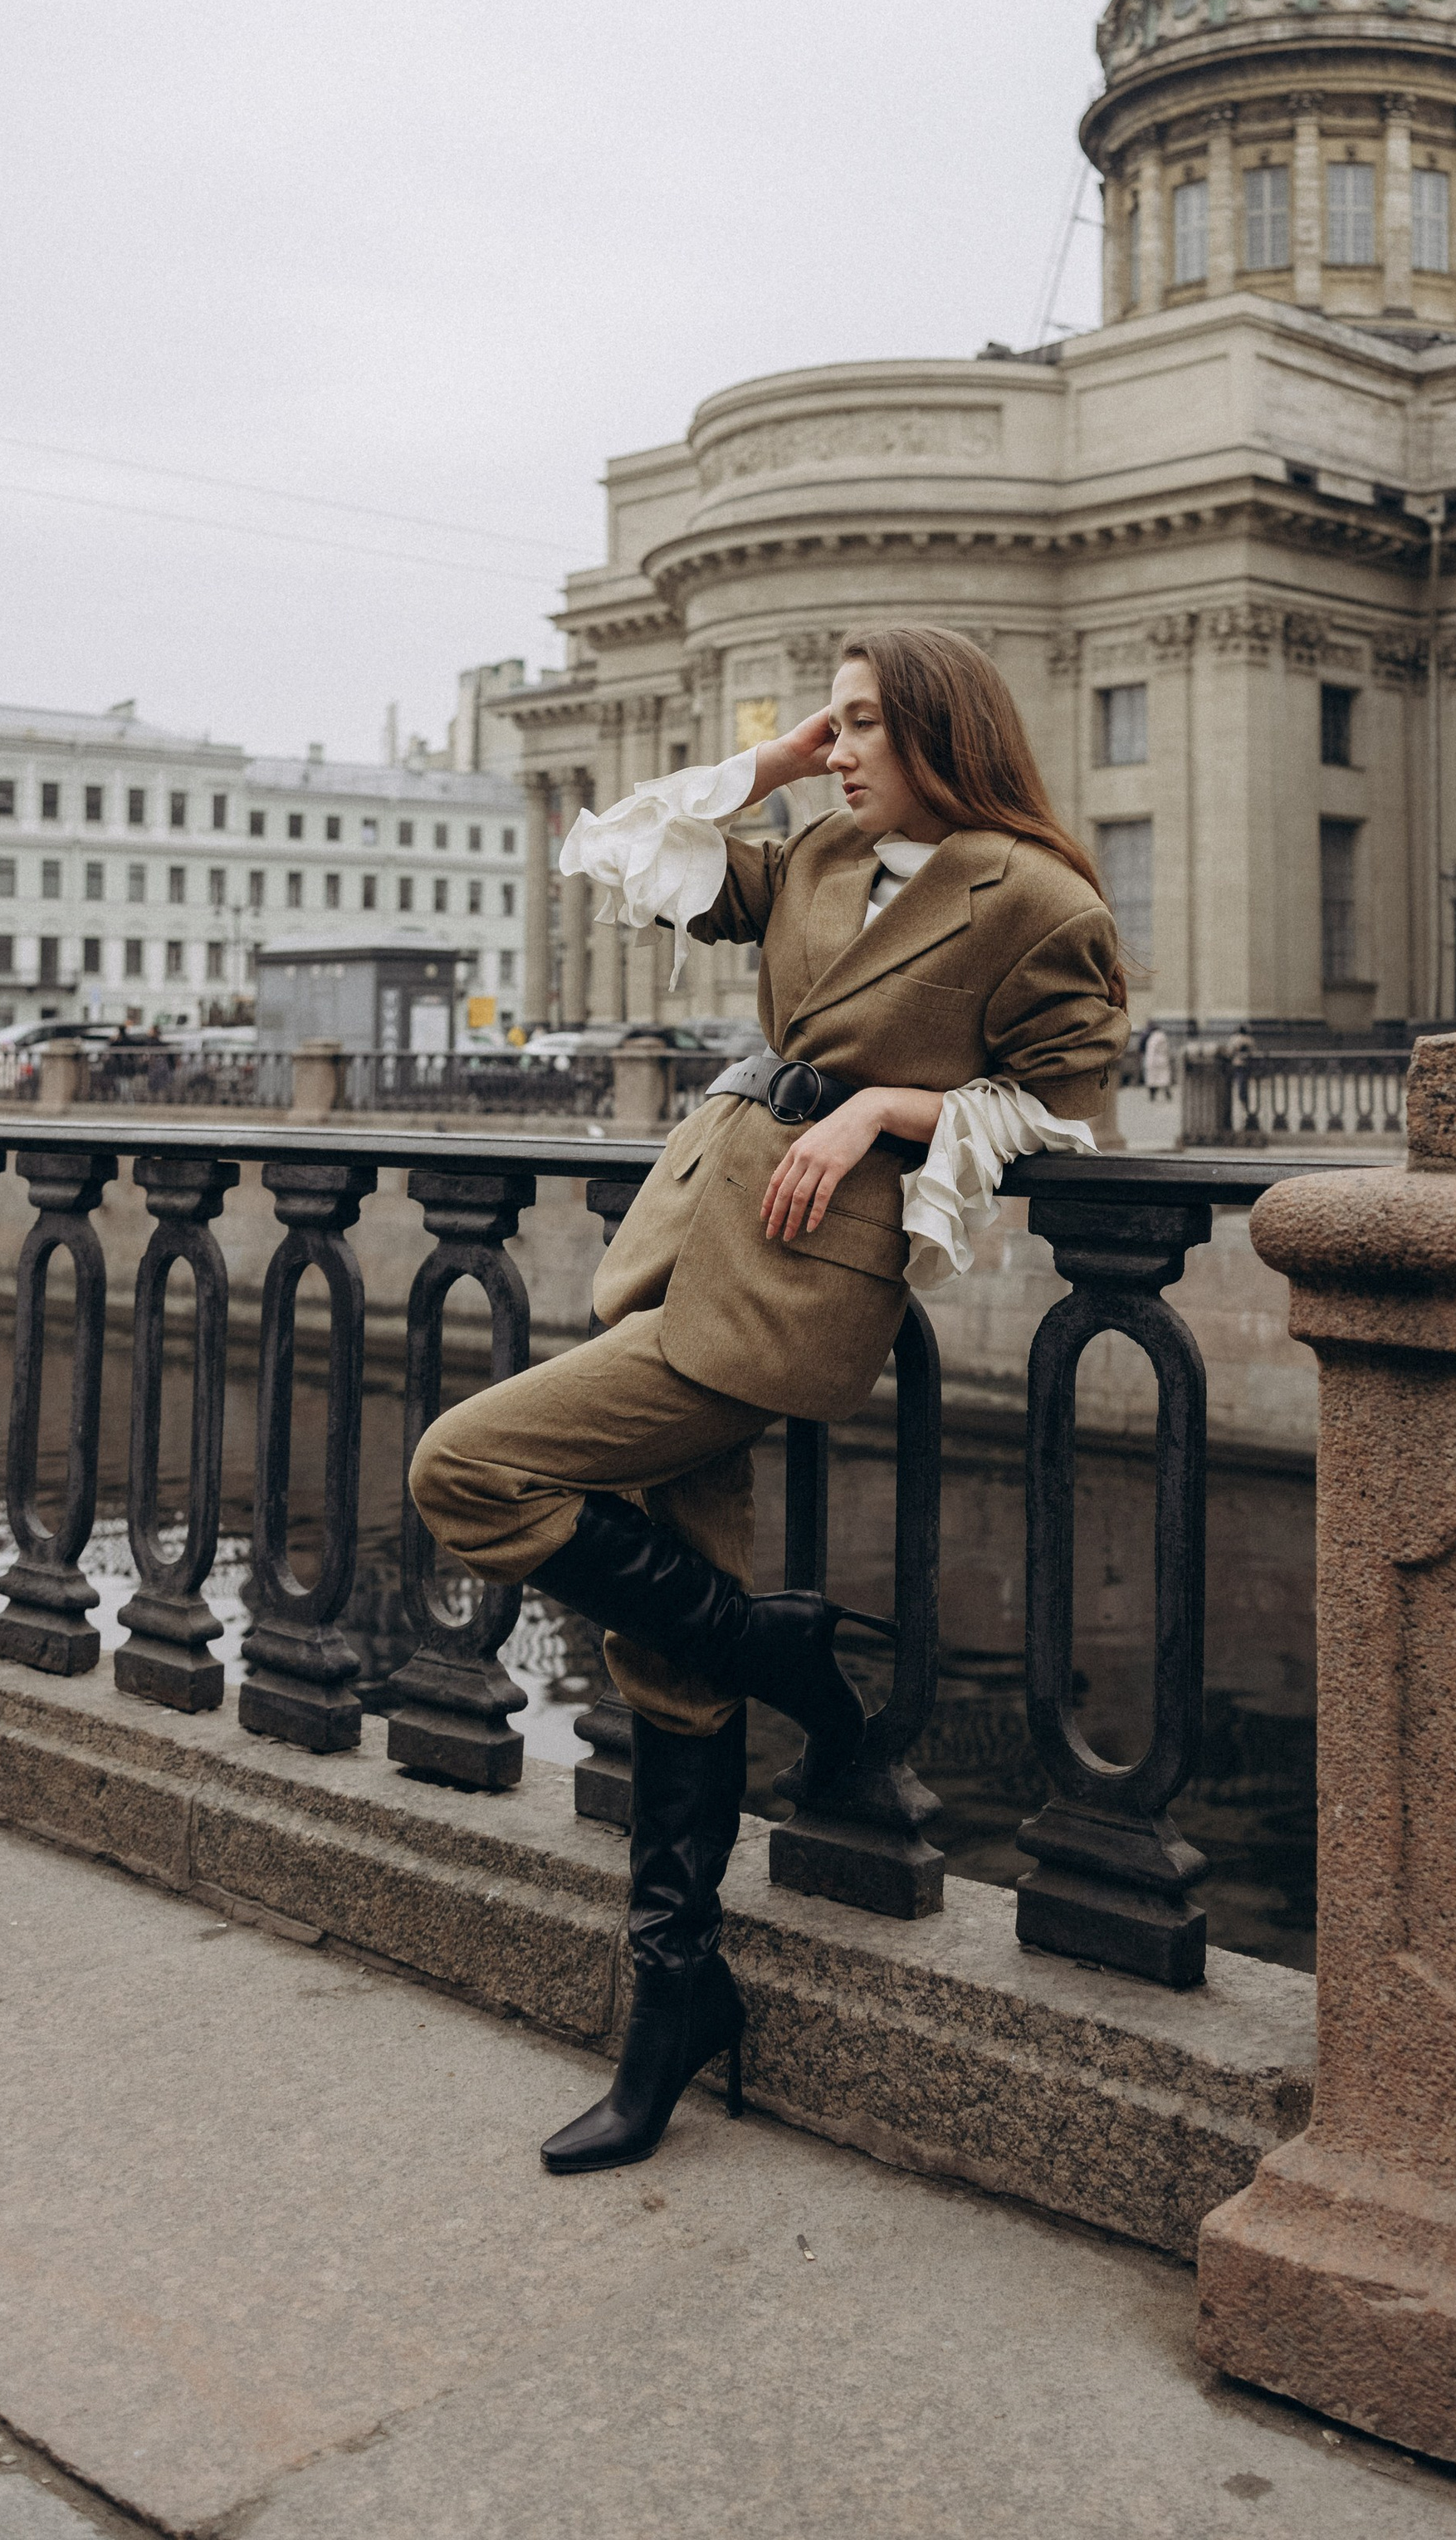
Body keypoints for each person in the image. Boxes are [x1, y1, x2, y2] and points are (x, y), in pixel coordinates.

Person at [409, 626, 1128, 2175]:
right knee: (670, 1655)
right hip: (687, 1233)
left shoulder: (1037, 898)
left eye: (869, 724)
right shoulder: (811, 853)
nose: (843, 745)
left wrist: (882, 1101)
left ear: (946, 729)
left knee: (463, 1474)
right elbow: (629, 852)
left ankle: (783, 1654)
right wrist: (775, 763)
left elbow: (1076, 1108)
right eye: (837, 724)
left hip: (800, 1278)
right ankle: (677, 1996)